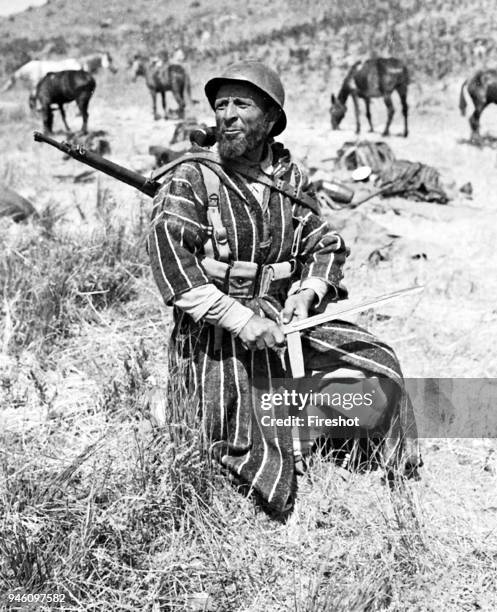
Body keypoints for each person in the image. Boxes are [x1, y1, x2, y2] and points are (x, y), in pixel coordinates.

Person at [148, 60, 421, 514]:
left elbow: (324, 241)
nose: (228, 115)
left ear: (272, 118)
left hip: (283, 317)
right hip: (219, 328)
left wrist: (306, 293)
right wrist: (240, 320)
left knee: (380, 363)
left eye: (242, 104)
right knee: (236, 436)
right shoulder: (192, 176)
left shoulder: (289, 178)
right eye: (221, 105)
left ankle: (372, 458)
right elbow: (173, 262)